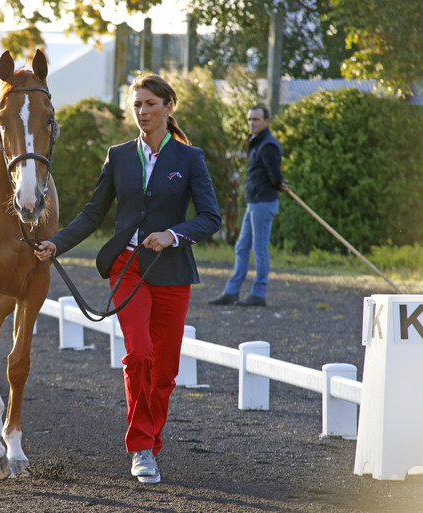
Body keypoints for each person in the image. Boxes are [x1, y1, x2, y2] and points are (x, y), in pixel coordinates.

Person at [34, 74, 221, 483]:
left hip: (171, 270)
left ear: (168, 107)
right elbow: (92, 213)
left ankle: (152, 443)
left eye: (150, 104)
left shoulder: (191, 159)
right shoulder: (118, 155)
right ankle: (140, 448)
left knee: (165, 370)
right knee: (139, 354)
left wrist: (173, 234)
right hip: (128, 266)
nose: (142, 112)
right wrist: (56, 244)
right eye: (137, 105)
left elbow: (211, 218)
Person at [209, 105, 289, 307]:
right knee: (242, 247)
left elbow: (274, 176)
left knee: (259, 249)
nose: (251, 123)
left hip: (263, 203)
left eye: (256, 119)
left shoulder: (268, 145)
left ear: (267, 122)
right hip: (254, 202)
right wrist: (278, 183)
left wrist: (279, 184)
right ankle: (232, 291)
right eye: (249, 119)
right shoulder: (256, 143)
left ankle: (258, 294)